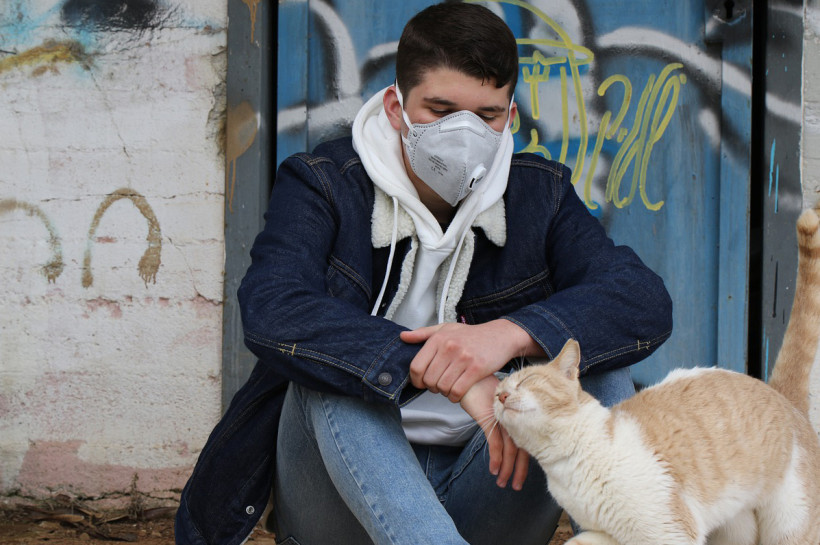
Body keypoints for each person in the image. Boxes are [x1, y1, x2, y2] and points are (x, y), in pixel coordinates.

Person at [175, 3, 673, 544]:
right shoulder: (325, 183)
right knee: (335, 372)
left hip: (488, 485)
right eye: (441, 110)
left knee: (595, 361)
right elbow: (273, 308)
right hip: (339, 495)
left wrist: (503, 337)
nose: (463, 133)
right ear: (397, 107)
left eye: (486, 116)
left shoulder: (540, 194)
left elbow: (639, 299)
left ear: (509, 116)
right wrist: (445, 369)